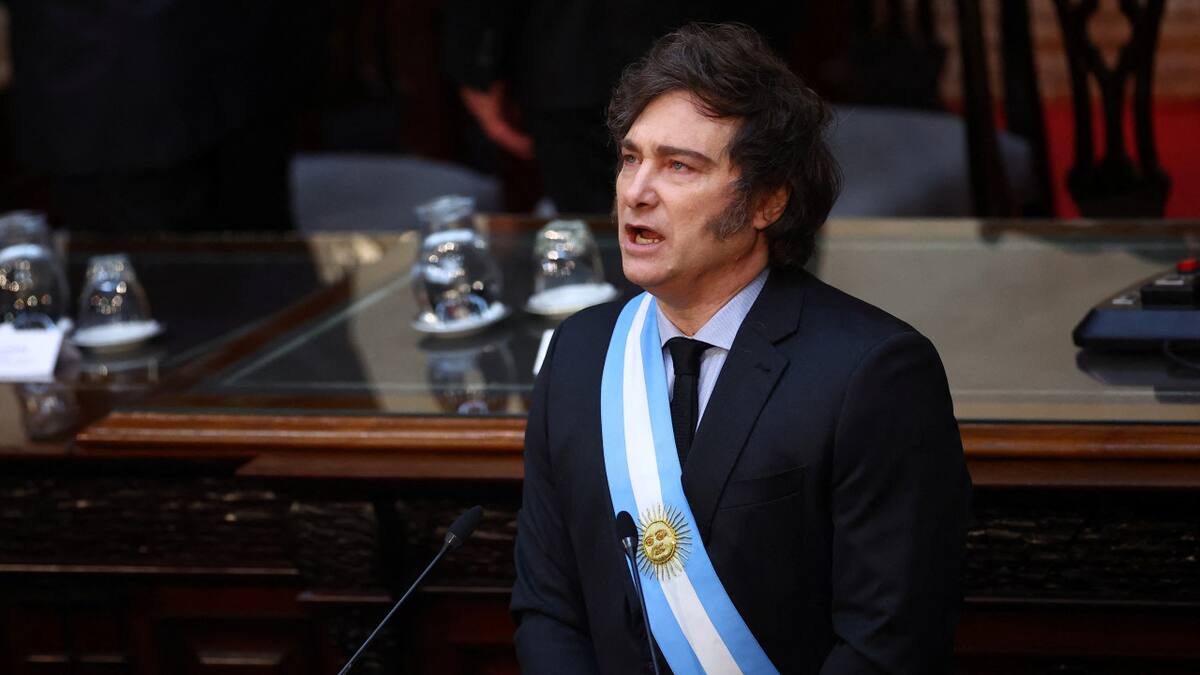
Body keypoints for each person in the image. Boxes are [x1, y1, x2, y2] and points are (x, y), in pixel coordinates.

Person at [511, 23, 972, 674]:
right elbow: (547, 608)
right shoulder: (578, 355)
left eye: (678, 166)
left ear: (767, 201)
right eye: (631, 158)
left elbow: (889, 640)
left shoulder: (875, 374)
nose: (636, 191)